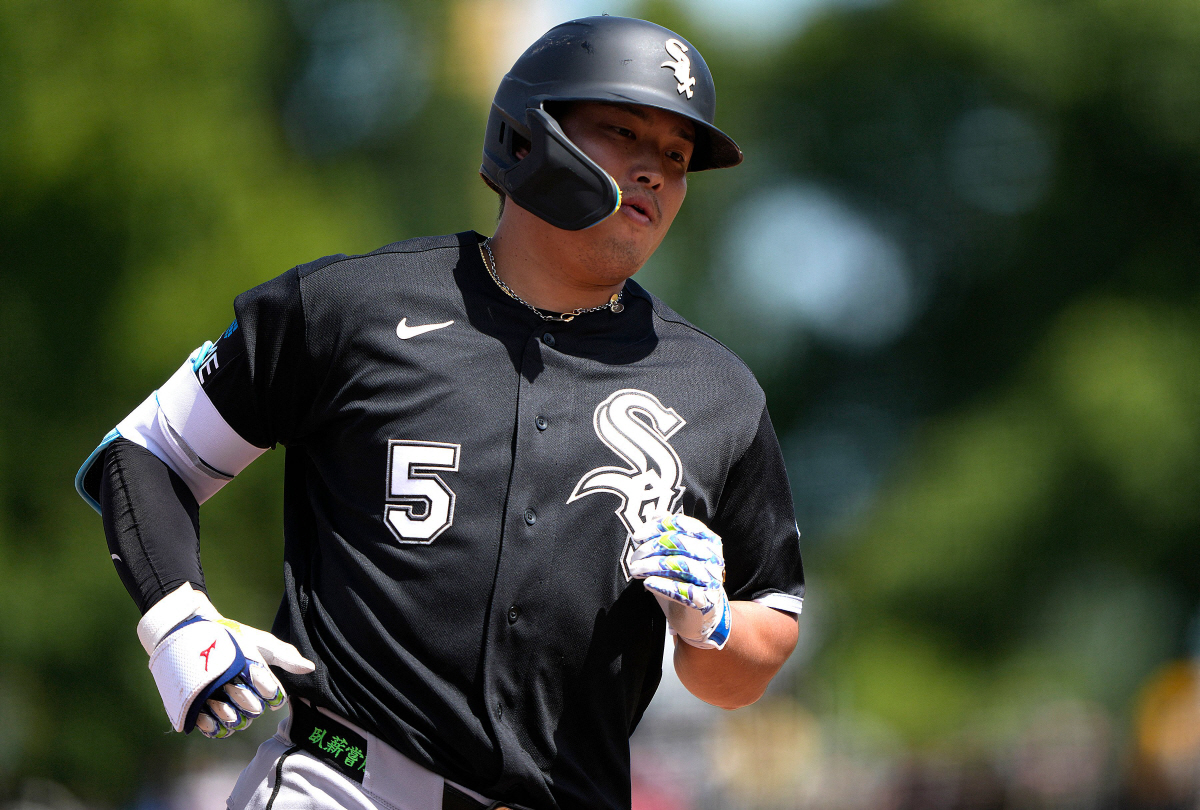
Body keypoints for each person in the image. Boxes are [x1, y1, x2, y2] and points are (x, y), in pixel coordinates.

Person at [75, 15, 804, 810]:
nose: (655, 171)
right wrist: (175, 617)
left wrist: (714, 627)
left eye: (675, 155)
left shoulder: (717, 392)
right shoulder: (352, 308)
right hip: (341, 784)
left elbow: (754, 653)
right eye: (623, 131)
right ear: (529, 138)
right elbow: (145, 451)